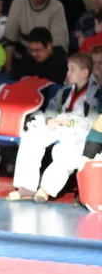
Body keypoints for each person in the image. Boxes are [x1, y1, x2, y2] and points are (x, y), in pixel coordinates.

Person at [8, 53, 99, 202]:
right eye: (67, 69)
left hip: (80, 132)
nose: (67, 73)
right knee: (31, 137)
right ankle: (26, 188)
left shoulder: (96, 94)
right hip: (59, 127)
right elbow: (50, 110)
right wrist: (49, 120)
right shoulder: (64, 91)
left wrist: (70, 123)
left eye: (72, 70)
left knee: (64, 151)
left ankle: (46, 189)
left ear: (84, 73)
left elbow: (94, 119)